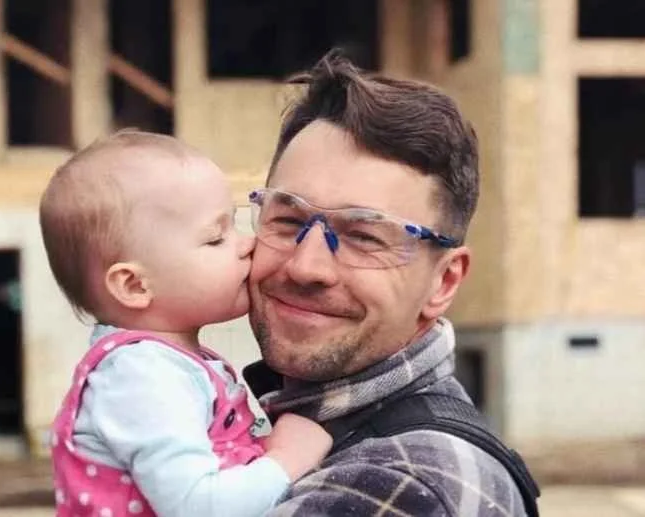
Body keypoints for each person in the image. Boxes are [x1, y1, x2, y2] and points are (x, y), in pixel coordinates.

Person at [244, 51, 538, 516]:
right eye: (287, 218)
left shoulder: (401, 484)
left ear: (443, 281)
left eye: (363, 236)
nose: (306, 267)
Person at [39, 130, 332, 517]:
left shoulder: (170, 362)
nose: (246, 244)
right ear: (134, 284)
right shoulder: (141, 375)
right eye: (215, 238)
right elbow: (199, 507)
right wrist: (285, 459)